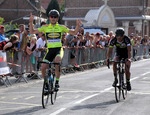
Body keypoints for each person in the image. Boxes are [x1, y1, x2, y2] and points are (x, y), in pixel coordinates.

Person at [29, 9, 81, 90]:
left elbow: (74, 33)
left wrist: (78, 26)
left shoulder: (61, 27)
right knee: (43, 68)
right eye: (51, 16)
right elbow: (32, 32)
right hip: (49, 50)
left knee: (57, 61)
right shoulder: (45, 27)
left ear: (57, 18)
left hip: (58, 49)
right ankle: (46, 83)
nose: (53, 18)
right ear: (49, 18)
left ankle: (57, 81)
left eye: (55, 17)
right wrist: (31, 22)